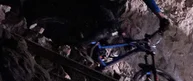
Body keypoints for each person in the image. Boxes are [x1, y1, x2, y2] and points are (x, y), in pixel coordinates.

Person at [0, 0, 169, 45]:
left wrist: (161, 16)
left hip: (110, 9)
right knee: (108, 27)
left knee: (109, 30)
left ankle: (85, 46)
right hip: (98, 5)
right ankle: (76, 45)